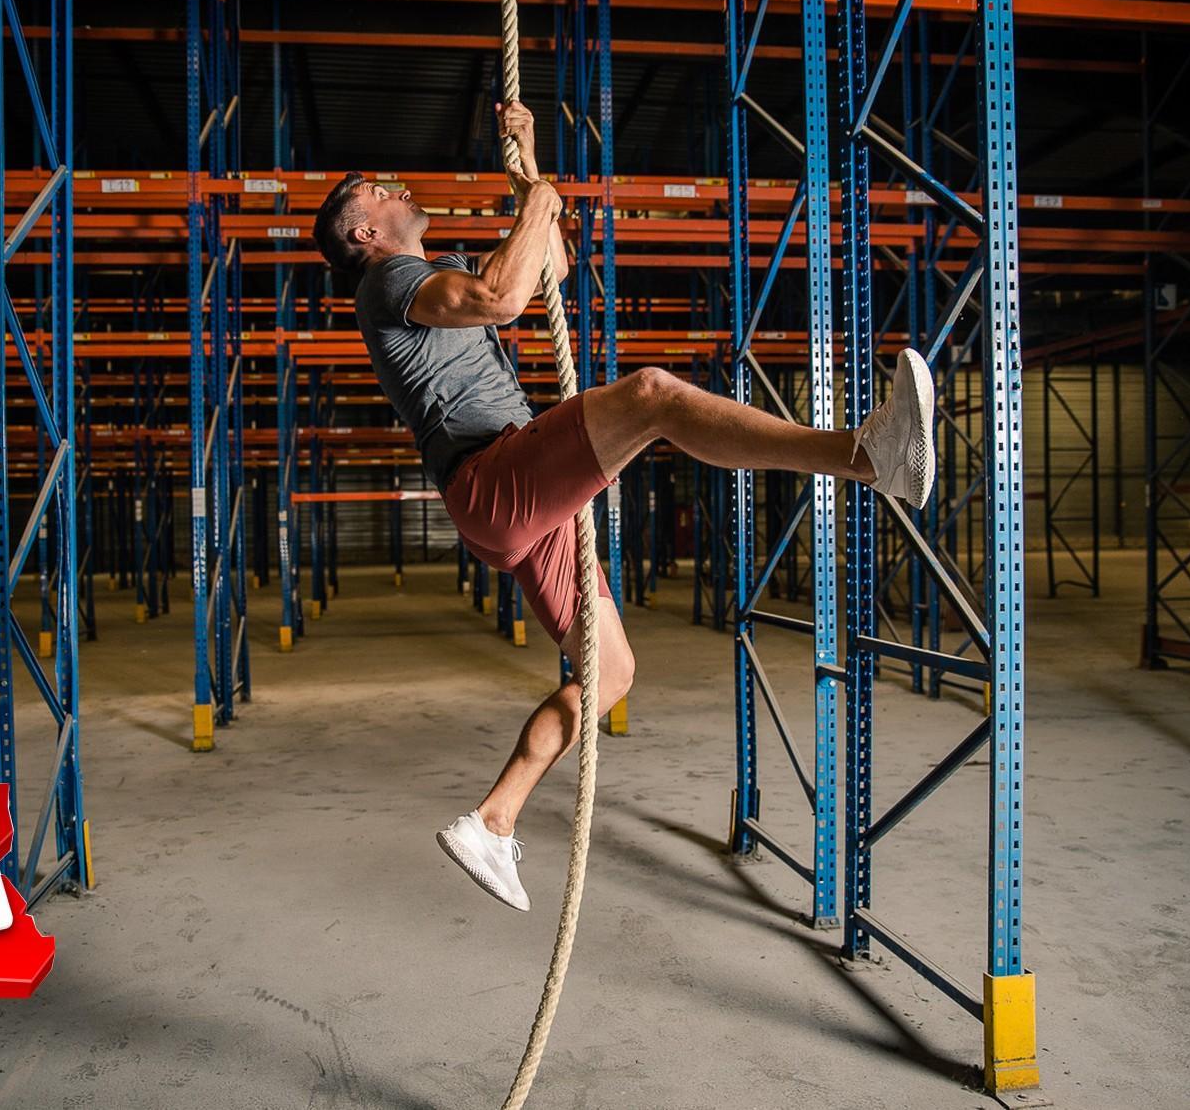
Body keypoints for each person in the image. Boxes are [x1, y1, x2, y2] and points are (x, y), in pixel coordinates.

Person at [310, 100, 935, 912]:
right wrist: (535, 200)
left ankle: (492, 820)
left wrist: (528, 165)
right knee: (653, 396)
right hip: (492, 476)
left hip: (507, 499)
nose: (395, 188)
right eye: (378, 189)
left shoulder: (425, 271)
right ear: (364, 233)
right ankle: (865, 455)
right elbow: (503, 298)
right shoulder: (389, 279)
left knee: (611, 672)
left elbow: (549, 272)